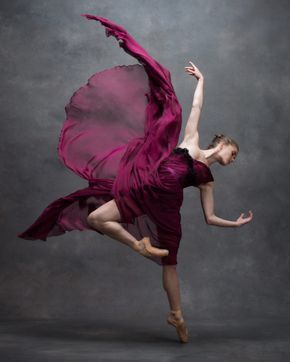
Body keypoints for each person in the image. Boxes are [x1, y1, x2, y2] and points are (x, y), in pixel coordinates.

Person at [17, 15, 253, 343]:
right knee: (98, 217)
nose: (233, 160)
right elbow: (196, 106)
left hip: (166, 210)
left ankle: (176, 315)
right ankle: (138, 245)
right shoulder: (190, 142)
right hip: (143, 187)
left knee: (170, 264)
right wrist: (202, 79)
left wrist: (235, 223)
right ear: (223, 144)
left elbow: (209, 217)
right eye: (234, 153)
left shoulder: (207, 179)